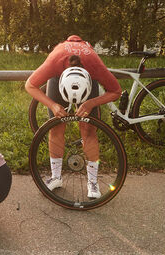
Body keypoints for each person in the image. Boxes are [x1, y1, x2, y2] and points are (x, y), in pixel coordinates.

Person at [25, 35, 121, 198]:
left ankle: (93, 182)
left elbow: (116, 91)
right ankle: (56, 177)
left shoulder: (94, 64)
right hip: (58, 76)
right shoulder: (54, 62)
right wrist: (53, 105)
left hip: (87, 73)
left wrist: (91, 103)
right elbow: (30, 85)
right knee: (55, 128)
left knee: (89, 132)